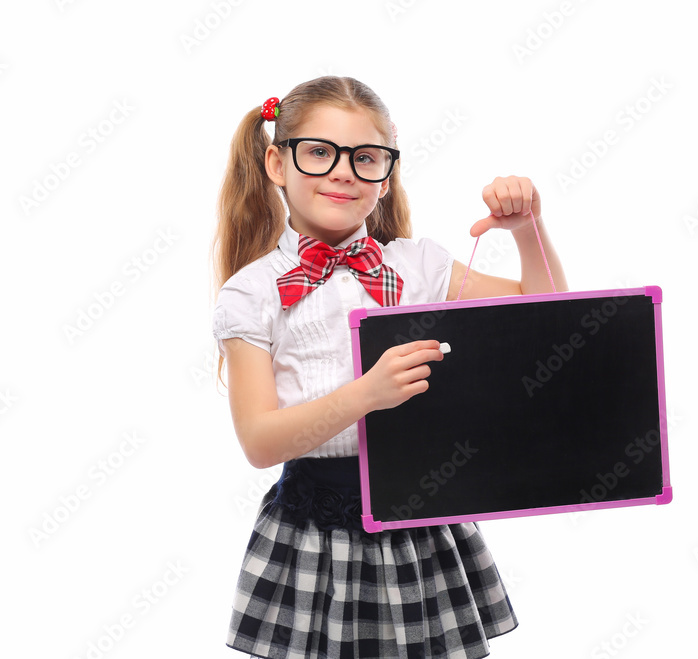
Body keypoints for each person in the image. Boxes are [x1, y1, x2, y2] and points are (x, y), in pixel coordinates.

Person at [211, 75, 567, 658]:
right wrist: (366, 394)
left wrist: (528, 229)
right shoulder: (251, 294)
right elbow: (259, 442)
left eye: (366, 157)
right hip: (314, 536)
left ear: (386, 170)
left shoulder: (420, 265)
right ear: (277, 163)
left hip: (422, 523)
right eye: (320, 152)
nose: (344, 171)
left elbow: (549, 317)